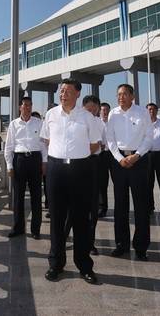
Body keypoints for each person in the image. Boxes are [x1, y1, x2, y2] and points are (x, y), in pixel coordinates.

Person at [41, 78, 102, 284]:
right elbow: (47, 140)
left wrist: (77, 155)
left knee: (81, 220)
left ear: (77, 94)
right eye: (61, 91)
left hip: (80, 169)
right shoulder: (51, 114)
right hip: (56, 169)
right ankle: (55, 264)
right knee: (56, 219)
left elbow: (95, 144)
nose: (63, 94)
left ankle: (84, 266)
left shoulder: (87, 117)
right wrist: (60, 155)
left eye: (67, 91)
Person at [106, 84, 152, 261]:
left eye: (125, 94)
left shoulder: (142, 112)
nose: (121, 97)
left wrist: (137, 155)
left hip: (139, 161)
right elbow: (110, 139)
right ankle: (121, 244)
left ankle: (141, 247)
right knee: (120, 205)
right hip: (119, 162)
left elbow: (149, 137)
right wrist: (120, 158)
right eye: (118, 94)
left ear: (132, 96)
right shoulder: (113, 114)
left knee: (141, 205)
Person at [64, 95, 105, 255]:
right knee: (71, 204)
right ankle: (63, 238)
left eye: (95, 107)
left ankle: (90, 243)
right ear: (83, 107)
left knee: (92, 206)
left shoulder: (100, 124)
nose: (92, 110)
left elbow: (101, 144)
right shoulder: (75, 121)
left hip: (94, 164)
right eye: (89, 107)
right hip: (76, 164)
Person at [5, 97, 47, 240]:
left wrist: (44, 162)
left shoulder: (39, 123)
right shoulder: (14, 124)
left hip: (35, 160)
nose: (27, 108)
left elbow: (43, 145)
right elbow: (9, 147)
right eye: (25, 105)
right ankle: (18, 228)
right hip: (20, 160)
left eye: (30, 105)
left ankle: (36, 229)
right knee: (18, 197)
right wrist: (9, 165)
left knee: (36, 196)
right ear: (20, 107)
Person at [98, 102, 113, 217]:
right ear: (100, 111)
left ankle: (121, 207)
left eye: (107, 110)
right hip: (101, 155)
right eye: (103, 110)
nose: (105, 112)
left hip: (114, 154)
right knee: (102, 183)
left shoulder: (114, 123)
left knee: (118, 182)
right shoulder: (96, 123)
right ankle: (102, 207)